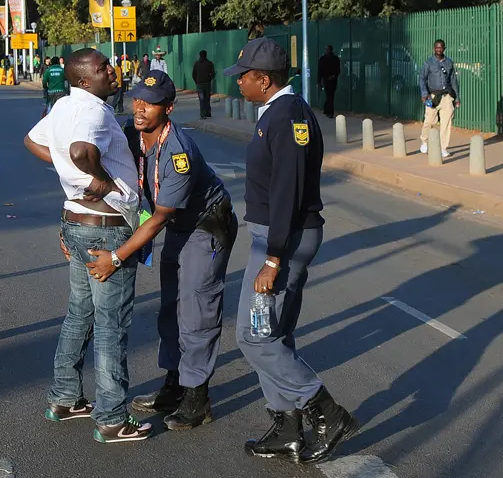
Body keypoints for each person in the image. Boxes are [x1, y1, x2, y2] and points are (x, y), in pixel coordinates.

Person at [223, 37, 357, 464]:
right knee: (273, 334)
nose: (238, 82)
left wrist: (273, 257)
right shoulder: (277, 112)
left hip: (281, 240)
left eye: (243, 76)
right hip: (276, 237)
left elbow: (288, 190)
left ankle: (325, 411)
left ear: (264, 79)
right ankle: (287, 427)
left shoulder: (287, 116)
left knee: (253, 335)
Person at [87, 70, 238, 431]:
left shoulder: (178, 152)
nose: (140, 108)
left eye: (150, 104)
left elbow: (156, 219)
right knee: (170, 307)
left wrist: (118, 256)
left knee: (197, 309)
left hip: (204, 226)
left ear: (168, 108)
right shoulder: (131, 132)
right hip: (176, 226)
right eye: (137, 99)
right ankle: (174, 385)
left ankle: (197, 398)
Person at [23, 48, 152, 444]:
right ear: (83, 80)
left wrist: (68, 172)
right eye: (102, 69)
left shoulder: (62, 106)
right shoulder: (94, 111)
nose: (111, 72)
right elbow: (81, 151)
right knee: (111, 323)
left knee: (79, 314)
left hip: (76, 222)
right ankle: (112, 417)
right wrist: (100, 179)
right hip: (107, 227)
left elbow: (31, 140)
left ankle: (65, 398)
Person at [419, 39, 460, 158]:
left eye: (441, 47)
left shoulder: (449, 62)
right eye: (437, 47)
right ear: (434, 48)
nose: (439, 49)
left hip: (447, 97)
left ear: (444, 48)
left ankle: (443, 148)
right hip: (432, 96)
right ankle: (424, 142)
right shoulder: (428, 63)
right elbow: (422, 79)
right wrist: (424, 94)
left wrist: (457, 98)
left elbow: (454, 81)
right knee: (429, 121)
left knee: (446, 123)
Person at [317, 45, 340, 118]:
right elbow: (320, 71)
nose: (327, 51)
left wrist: (334, 76)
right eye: (326, 49)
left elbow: (338, 69)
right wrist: (319, 82)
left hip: (332, 79)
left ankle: (327, 109)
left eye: (328, 49)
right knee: (330, 95)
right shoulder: (322, 59)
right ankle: (329, 111)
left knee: (330, 95)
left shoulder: (335, 59)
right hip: (326, 79)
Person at [192, 50, 215, 119]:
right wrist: (209, 79)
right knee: (207, 98)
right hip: (207, 83)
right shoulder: (209, 63)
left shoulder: (196, 64)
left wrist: (196, 81)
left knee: (202, 99)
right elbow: (213, 74)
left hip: (199, 84)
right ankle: (208, 112)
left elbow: (193, 74)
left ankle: (203, 114)